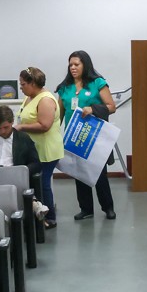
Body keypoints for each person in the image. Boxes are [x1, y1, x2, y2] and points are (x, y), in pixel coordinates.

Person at [55, 50, 118, 221]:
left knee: (99, 174)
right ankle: (86, 209)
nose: (73, 68)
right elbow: (59, 116)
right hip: (74, 137)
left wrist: (93, 109)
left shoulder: (97, 83)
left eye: (77, 64)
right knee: (80, 173)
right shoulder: (64, 88)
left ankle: (108, 207)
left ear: (85, 65)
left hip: (94, 137)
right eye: (70, 65)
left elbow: (111, 106)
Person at [16, 67, 64, 228]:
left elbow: (45, 125)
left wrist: (21, 127)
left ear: (33, 83)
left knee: (43, 183)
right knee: (35, 182)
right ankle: (38, 213)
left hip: (46, 149)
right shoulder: (30, 97)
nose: (21, 87)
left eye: (23, 84)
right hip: (34, 149)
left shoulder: (45, 100)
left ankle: (50, 218)